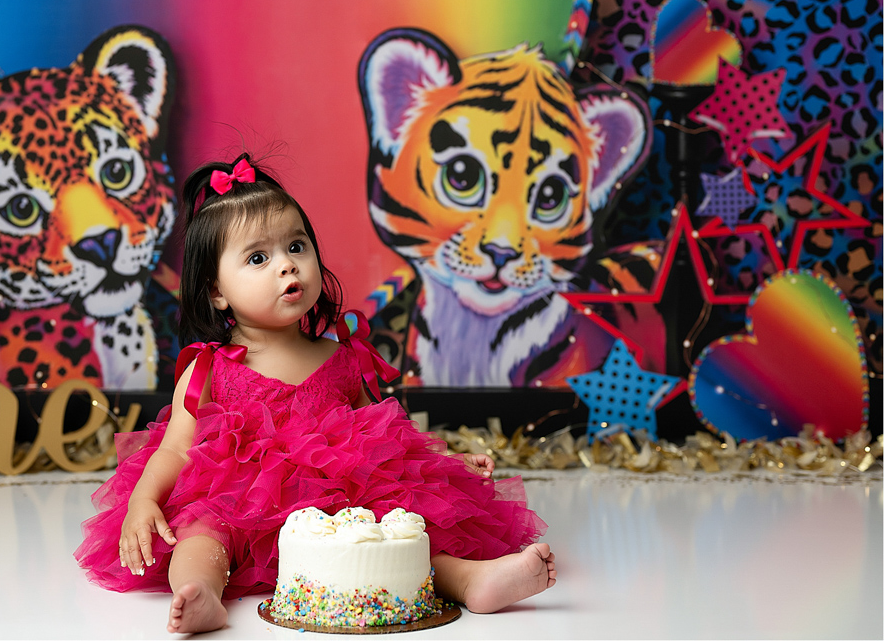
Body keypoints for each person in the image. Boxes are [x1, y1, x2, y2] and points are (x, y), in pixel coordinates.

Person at [74, 154, 555, 633]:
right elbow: (176, 448)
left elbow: (392, 438)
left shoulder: (342, 357)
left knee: (401, 528)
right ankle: (199, 592)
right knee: (200, 534)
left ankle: (470, 580)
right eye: (259, 258)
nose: (288, 266)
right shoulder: (208, 368)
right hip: (241, 501)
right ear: (216, 291)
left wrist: (445, 459)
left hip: (347, 497)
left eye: (297, 246)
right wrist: (143, 499)